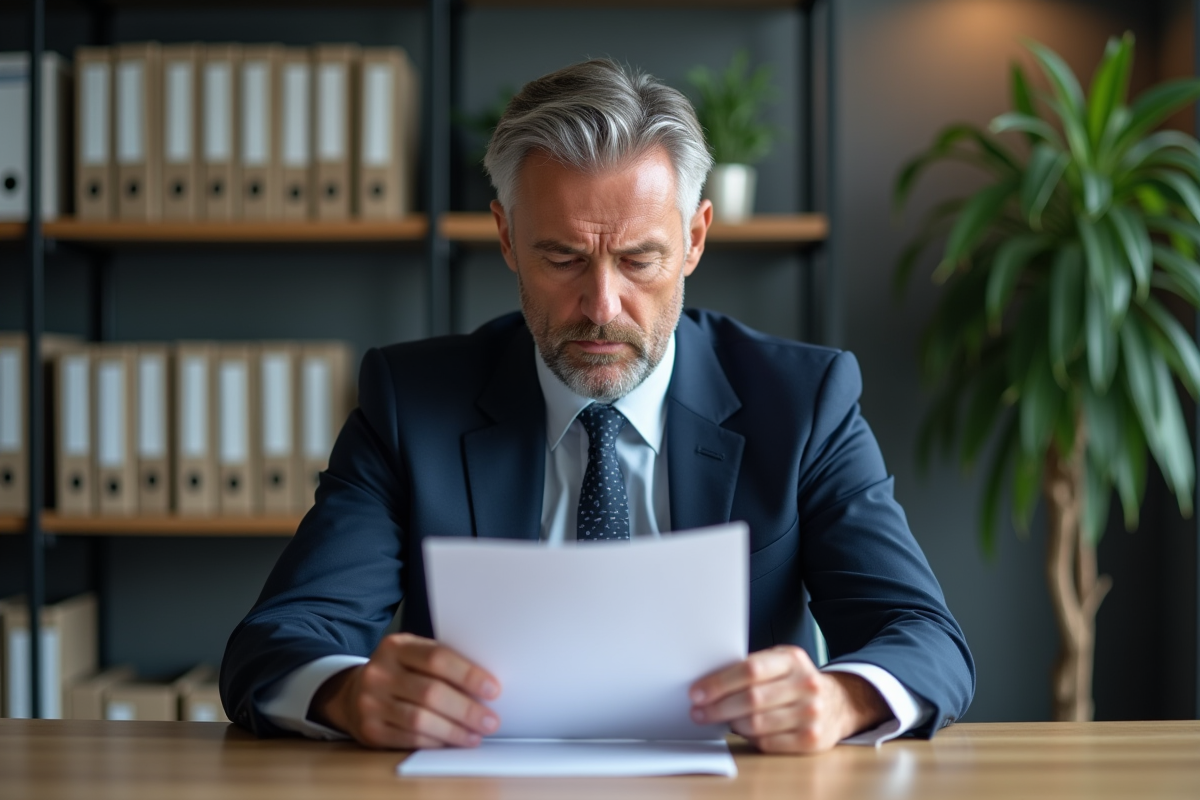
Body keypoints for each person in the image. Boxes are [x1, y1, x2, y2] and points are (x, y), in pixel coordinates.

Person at [221, 59, 974, 755]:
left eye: (639, 259)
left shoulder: (804, 403)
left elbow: (923, 636)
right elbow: (276, 641)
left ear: (695, 239)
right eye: (563, 258)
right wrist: (350, 694)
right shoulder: (410, 403)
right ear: (508, 237)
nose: (601, 306)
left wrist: (841, 698)